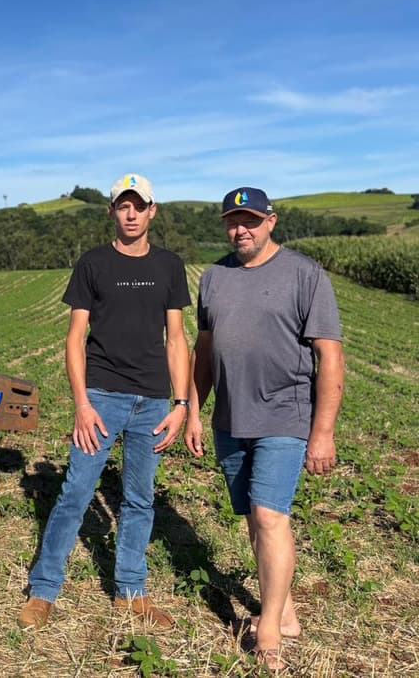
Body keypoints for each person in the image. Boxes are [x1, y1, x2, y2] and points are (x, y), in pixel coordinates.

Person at [18, 174, 191, 631]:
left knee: (138, 499)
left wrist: (182, 404)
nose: (131, 214)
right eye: (123, 206)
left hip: (154, 402)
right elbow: (75, 338)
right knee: (76, 492)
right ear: (112, 212)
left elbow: (177, 339)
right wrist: (81, 403)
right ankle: (44, 590)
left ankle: (131, 592)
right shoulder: (93, 264)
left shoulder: (170, 266)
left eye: (140, 206)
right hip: (102, 397)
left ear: (153, 211)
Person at [184, 186, 344, 671]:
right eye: (233, 221)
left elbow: (330, 357)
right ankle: (288, 611)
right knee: (254, 519)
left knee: (270, 516)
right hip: (231, 418)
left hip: (285, 414)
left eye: (250, 220)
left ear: (270, 221)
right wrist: (193, 410)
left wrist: (323, 432)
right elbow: (204, 352)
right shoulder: (213, 277)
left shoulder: (304, 274)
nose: (241, 229)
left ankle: (269, 629)